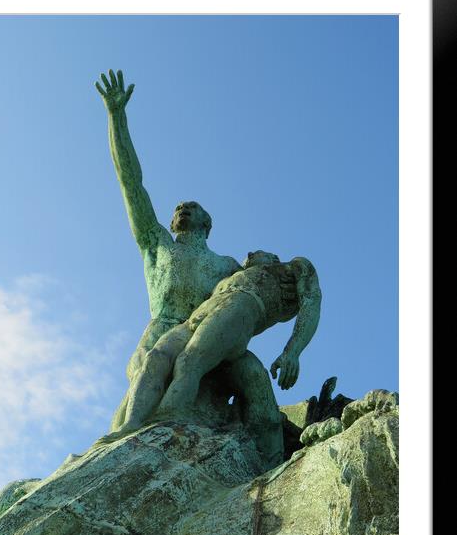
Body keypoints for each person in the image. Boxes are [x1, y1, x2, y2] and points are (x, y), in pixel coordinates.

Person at [95, 70, 290, 457]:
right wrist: (116, 117)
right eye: (178, 208)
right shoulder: (157, 245)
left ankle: (271, 461)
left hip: (213, 345)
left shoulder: (229, 266)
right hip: (163, 334)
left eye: (192, 207)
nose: (183, 208)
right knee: (136, 405)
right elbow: (131, 183)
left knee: (255, 378)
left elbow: (256, 301)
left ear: (207, 223)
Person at [114, 250, 321, 438]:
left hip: (243, 305)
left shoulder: (293, 267)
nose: (248, 254)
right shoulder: (230, 278)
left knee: (189, 361)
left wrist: (292, 352)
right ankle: (132, 424)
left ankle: (164, 422)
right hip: (198, 315)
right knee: (155, 358)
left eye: (256, 252)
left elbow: (312, 301)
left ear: (273, 257)